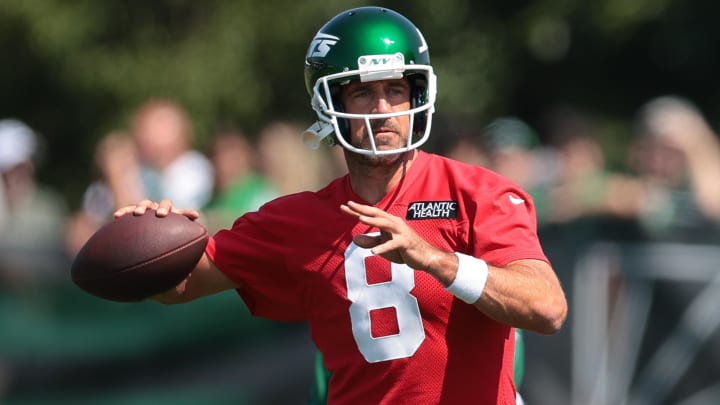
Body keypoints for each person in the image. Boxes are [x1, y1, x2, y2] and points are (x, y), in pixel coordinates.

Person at [114, 7, 567, 404]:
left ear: (418, 96)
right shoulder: (296, 220)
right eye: (363, 92)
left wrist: (436, 261)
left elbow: (547, 308)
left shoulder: (476, 193)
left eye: (396, 90)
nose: (384, 109)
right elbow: (179, 287)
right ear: (329, 103)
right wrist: (148, 236)